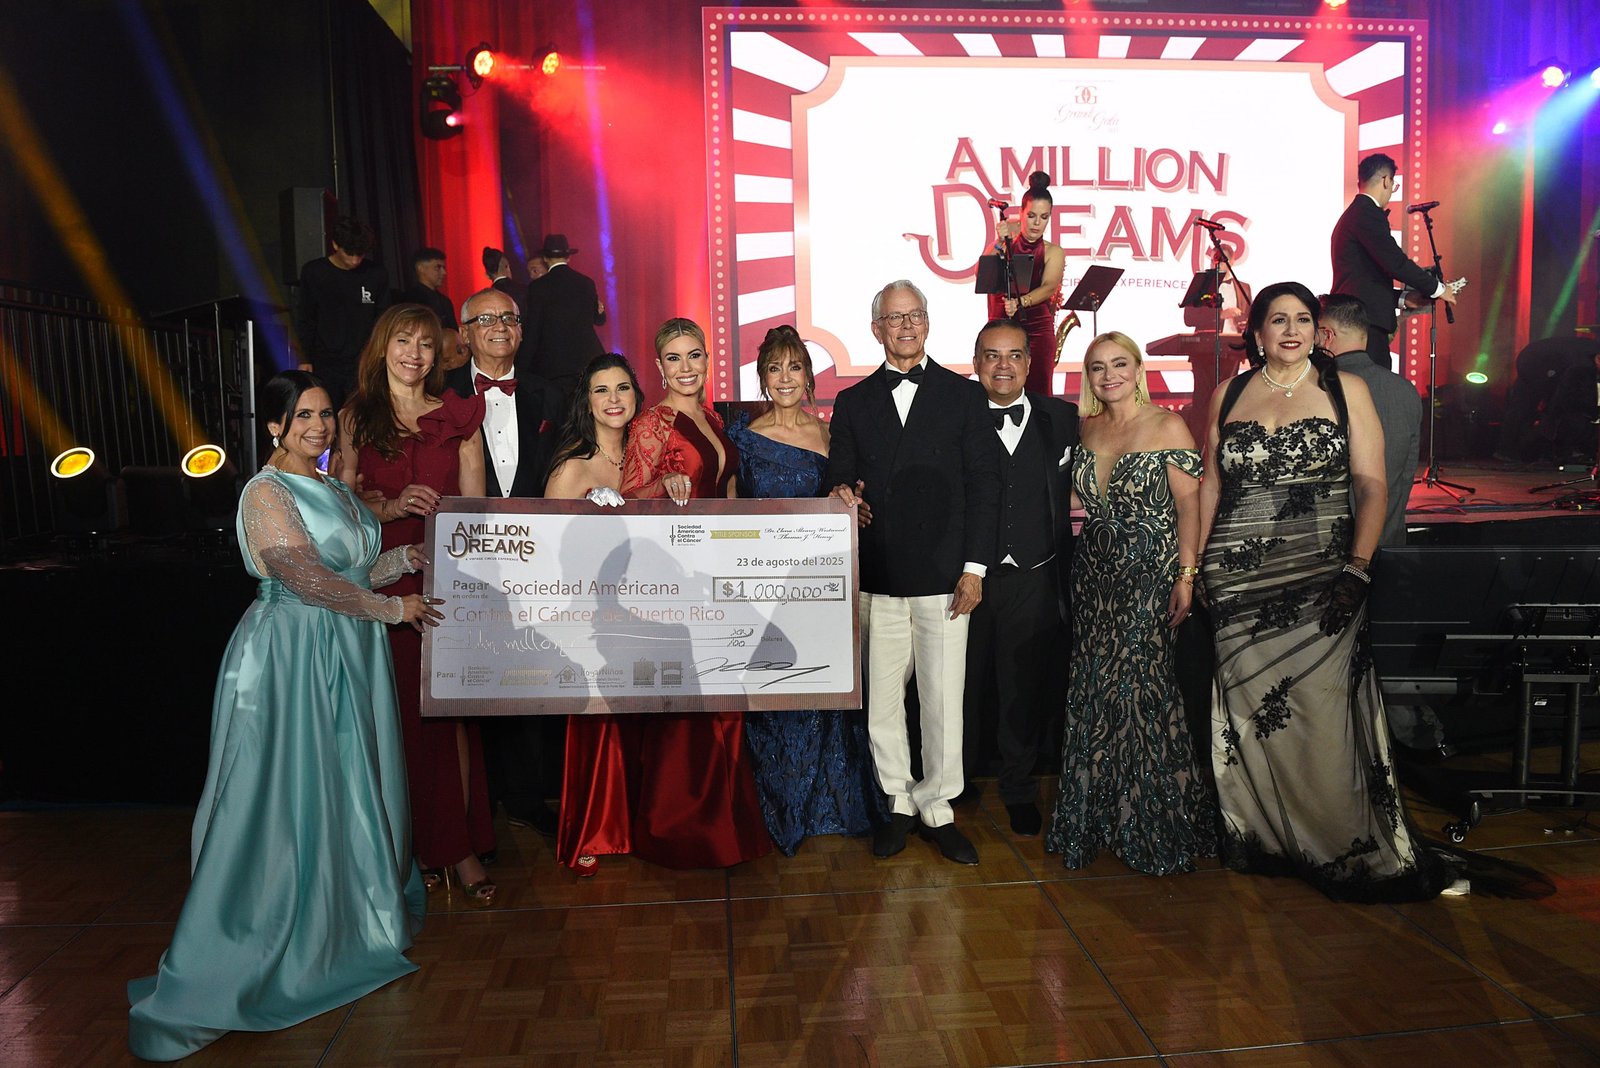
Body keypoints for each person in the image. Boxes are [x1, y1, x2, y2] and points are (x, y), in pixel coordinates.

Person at [128, 371, 440, 1061]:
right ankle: (263, 939)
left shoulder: (333, 486)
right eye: (303, 416)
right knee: (284, 793)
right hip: (290, 656)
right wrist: (393, 609)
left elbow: (350, 572)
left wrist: (402, 559)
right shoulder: (264, 491)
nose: (318, 426)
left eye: (325, 415)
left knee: (341, 784)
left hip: (346, 649)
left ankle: (347, 918)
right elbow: (305, 578)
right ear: (275, 425)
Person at [1198, 280, 1451, 902]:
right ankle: (1268, 836)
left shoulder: (1346, 389)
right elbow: (1210, 485)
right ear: (1257, 332)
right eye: (1278, 320)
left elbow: (1372, 485)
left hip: (1322, 576)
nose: (1292, 331)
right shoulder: (1229, 393)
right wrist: (1194, 567)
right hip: (1235, 578)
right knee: (1252, 714)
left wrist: (1358, 567)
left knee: (1321, 712)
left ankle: (1339, 840)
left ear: (1318, 330)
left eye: (1303, 320)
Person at [827, 280, 1000, 865]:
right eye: (894, 318)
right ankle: (898, 802)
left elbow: (985, 486)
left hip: (947, 578)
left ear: (928, 322)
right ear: (876, 329)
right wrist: (846, 494)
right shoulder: (852, 402)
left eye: (915, 315)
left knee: (943, 699)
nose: (906, 326)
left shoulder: (964, 395)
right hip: (879, 575)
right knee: (881, 702)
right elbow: (840, 473)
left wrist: (974, 569)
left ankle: (938, 806)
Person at [333, 304, 498, 903]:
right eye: (403, 341)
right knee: (395, 716)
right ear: (383, 347)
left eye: (426, 344)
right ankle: (411, 846)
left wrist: (474, 582)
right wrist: (392, 505)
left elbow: (478, 509)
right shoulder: (354, 418)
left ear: (438, 355)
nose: (414, 353)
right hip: (384, 580)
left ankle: (458, 845)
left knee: (449, 715)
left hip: (448, 580)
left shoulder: (459, 415)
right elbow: (339, 510)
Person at [1043, 331, 1216, 875]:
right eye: (1098, 367)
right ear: (1088, 378)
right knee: (1095, 686)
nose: (1109, 375)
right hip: (1093, 576)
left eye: (1120, 364)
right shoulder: (1087, 428)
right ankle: (1101, 816)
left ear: (1139, 370)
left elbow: (1190, 507)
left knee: (1140, 687)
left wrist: (1186, 574)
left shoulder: (1167, 425)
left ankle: (1156, 820)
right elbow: (1076, 498)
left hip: (1150, 575)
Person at [725, 325, 885, 854]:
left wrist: (854, 506)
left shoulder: (831, 436)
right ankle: (777, 808)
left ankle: (825, 807)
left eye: (794, 366)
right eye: (775, 368)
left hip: (819, 592)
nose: (785, 377)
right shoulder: (744, 438)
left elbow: (849, 499)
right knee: (773, 701)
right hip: (761, 594)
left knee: (824, 696)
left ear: (809, 376)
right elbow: (728, 514)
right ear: (762, 377)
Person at [620, 317, 772, 867]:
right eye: (674, 358)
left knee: (724, 697)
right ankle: (679, 828)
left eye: (695, 355)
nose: (686, 367)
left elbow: (725, 492)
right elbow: (625, 498)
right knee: (687, 705)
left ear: (708, 360)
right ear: (659, 367)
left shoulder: (712, 418)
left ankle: (726, 822)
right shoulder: (651, 424)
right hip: (672, 579)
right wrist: (663, 484)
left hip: (717, 572)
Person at [443, 287, 567, 836]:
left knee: (527, 677)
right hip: (462, 562)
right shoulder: (439, 394)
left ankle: (525, 796)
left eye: (509, 318)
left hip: (536, 564)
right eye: (486, 318)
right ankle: (473, 802)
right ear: (464, 333)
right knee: (466, 681)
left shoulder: (550, 395)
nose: (500, 326)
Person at [960, 319, 1078, 837]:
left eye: (1013, 355)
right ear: (976, 363)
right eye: (992, 355)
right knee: (961, 688)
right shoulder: (956, 419)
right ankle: (955, 783)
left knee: (1021, 692)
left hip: (1035, 577)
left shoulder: (1063, 419)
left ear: (1030, 364)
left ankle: (1018, 790)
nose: (1003, 365)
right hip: (967, 579)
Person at [547, 352, 643, 876]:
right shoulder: (572, 466)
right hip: (591, 620)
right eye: (601, 389)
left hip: (652, 612)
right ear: (586, 401)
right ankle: (591, 829)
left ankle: (641, 826)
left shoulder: (651, 458)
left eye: (622, 387)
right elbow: (548, 553)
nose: (613, 399)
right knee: (597, 724)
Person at [1330, 153, 1458, 369]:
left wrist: (1404, 298)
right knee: (1374, 384)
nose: (1391, 191)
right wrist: (1437, 288)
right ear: (1386, 180)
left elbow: (1364, 278)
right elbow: (1395, 262)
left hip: (1354, 319)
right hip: (1363, 322)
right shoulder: (1367, 213)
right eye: (1393, 185)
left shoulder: (1354, 214)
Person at [1320, 292, 1420, 548]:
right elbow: (1405, 475)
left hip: (1331, 549)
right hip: (1389, 543)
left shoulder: (1320, 388)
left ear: (1326, 335)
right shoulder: (1405, 389)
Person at [987, 170, 1067, 396]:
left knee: (1039, 395)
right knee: (998, 392)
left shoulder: (1053, 252)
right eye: (1031, 215)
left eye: (1044, 217)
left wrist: (1021, 302)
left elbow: (1049, 287)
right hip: (1001, 329)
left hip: (1037, 331)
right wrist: (999, 242)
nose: (1037, 223)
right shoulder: (1004, 244)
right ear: (1021, 213)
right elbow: (982, 274)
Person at [294, 215, 388, 410]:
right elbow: (305, 317)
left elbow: (384, 318)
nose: (354, 260)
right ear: (335, 245)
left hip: (363, 361)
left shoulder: (376, 274)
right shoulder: (314, 272)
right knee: (327, 411)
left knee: (363, 413)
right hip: (325, 362)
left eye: (360, 255)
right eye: (349, 253)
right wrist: (304, 358)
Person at [524, 233, 607, 400]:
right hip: (587, 362)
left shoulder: (537, 288)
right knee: (587, 411)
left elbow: (532, 332)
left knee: (558, 413)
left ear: (545, 258)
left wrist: (521, 368)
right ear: (568, 257)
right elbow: (599, 320)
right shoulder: (586, 283)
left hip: (553, 367)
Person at [403, 247, 464, 373]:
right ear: (421, 268)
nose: (444, 273)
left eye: (443, 268)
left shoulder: (445, 301)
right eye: (438, 267)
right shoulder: (409, 300)